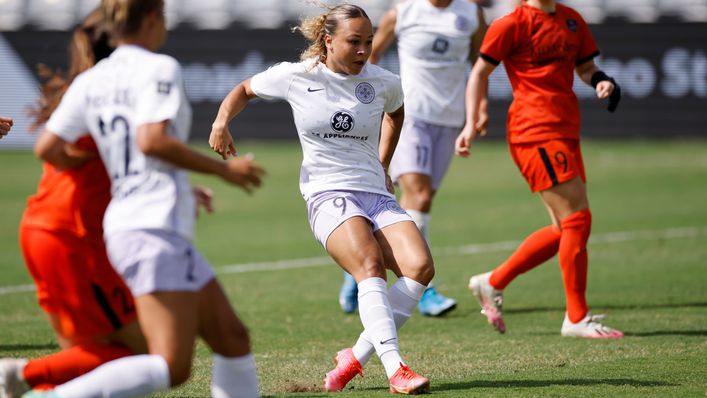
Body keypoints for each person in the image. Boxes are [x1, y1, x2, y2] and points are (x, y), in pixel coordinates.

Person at [26, 0, 265, 397]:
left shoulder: (93, 78)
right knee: (171, 366)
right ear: (152, 18)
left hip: (136, 224)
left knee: (232, 337)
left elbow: (48, 147)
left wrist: (118, 168)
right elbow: (151, 140)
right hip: (152, 228)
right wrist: (224, 170)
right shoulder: (159, 67)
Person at [209, 4, 433, 394]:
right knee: (369, 264)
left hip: (374, 192)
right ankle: (396, 369)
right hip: (327, 191)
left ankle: (356, 357)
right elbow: (244, 90)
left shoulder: (383, 81)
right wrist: (221, 121)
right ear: (328, 41)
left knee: (420, 267)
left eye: (368, 42)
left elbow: (396, 114)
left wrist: (382, 162)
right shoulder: (296, 76)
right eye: (354, 42)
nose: (364, 51)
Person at [456, 0, 624, 338]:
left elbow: (586, 68)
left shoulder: (571, 20)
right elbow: (480, 71)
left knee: (565, 228)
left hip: (565, 129)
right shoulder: (511, 24)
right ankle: (576, 318)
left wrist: (602, 81)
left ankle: (493, 282)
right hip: (534, 131)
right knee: (578, 219)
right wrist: (471, 123)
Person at [1, 9, 147, 398]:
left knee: (92, 357)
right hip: (72, 236)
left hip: (44, 229)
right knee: (142, 355)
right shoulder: (113, 89)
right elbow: (49, 149)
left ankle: (35, 383)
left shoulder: (84, 85)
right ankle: (20, 373)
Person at [336, 0, 489, 317]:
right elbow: (369, 54)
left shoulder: (471, 14)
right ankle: (423, 289)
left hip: (449, 118)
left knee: (423, 199)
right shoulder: (404, 11)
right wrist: (371, 98)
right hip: (411, 115)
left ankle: (364, 258)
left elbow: (480, 65)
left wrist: (479, 109)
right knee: (418, 195)